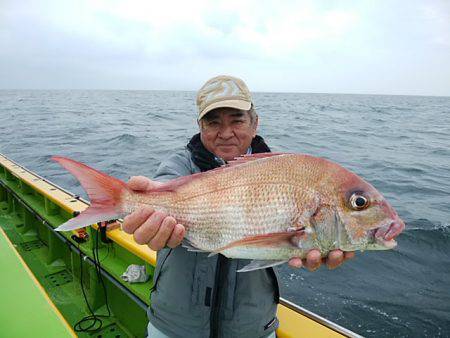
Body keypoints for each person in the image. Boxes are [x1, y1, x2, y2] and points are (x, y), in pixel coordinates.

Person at [122, 75, 355, 338]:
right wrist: (148, 212)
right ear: (200, 126)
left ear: (255, 123)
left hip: (252, 328)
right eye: (213, 122)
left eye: (237, 120)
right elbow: (165, 184)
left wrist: (319, 242)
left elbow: (293, 242)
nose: (225, 133)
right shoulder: (179, 166)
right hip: (174, 326)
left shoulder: (282, 172)